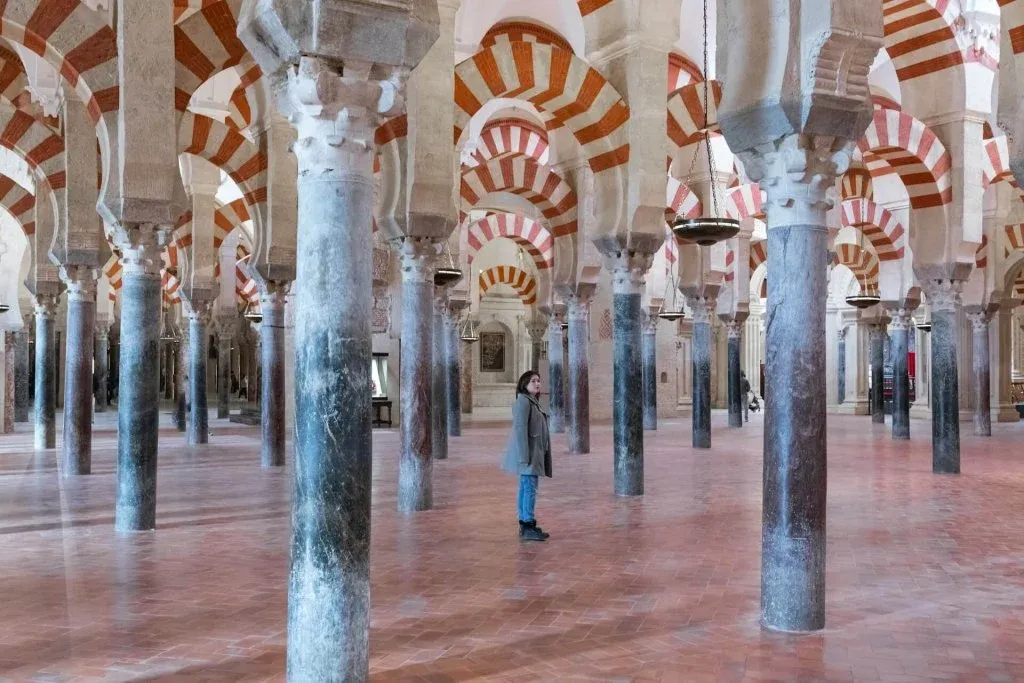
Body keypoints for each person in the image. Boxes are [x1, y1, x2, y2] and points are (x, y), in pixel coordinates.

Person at [502, 371, 552, 542]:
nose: (537, 384)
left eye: (539, 380)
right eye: (533, 381)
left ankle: (526, 523)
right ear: (524, 383)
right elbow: (520, 430)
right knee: (529, 489)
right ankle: (527, 524)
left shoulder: (532, 401)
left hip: (533, 452)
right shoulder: (523, 402)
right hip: (529, 455)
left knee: (526, 487)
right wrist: (524, 457)